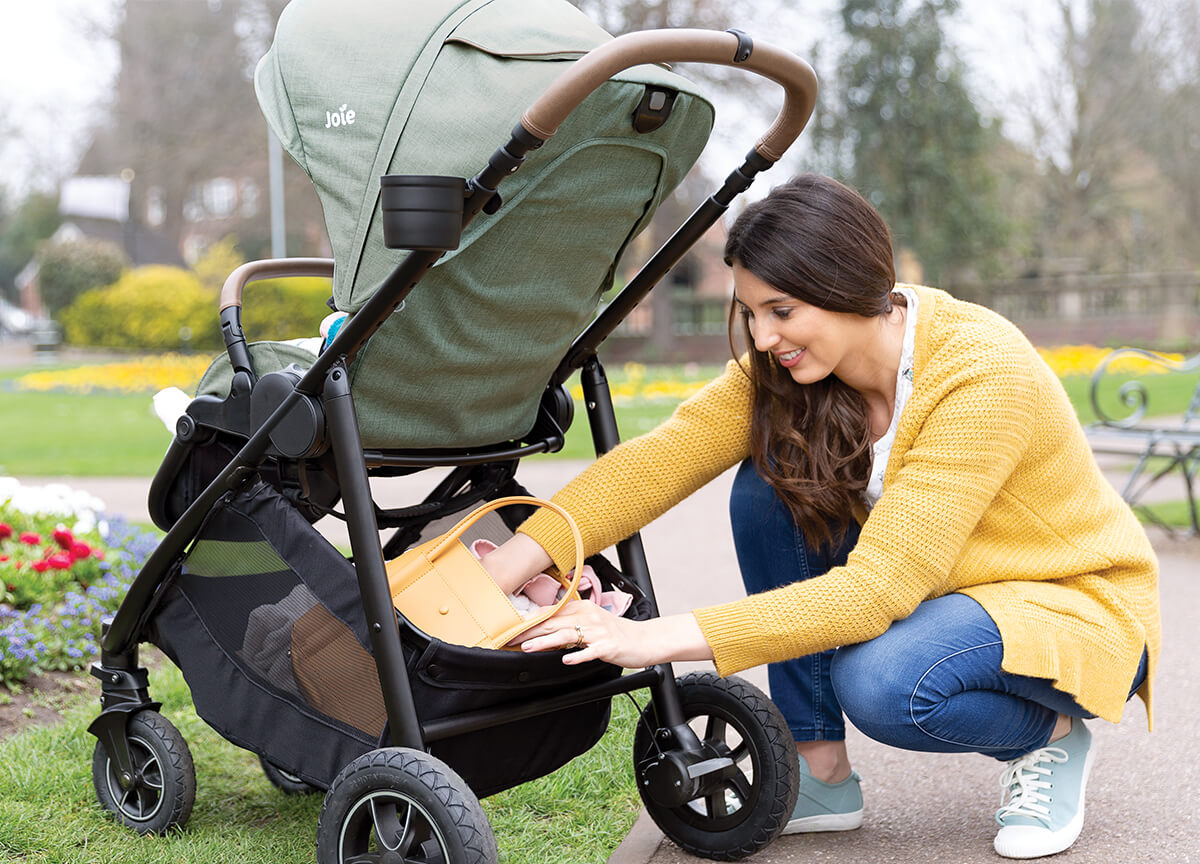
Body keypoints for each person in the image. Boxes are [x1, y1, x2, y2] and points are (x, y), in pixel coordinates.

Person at [480, 174, 1159, 859]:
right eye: (750, 312)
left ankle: (1050, 738)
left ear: (849, 288)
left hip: (1069, 599)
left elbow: (874, 594)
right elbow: (659, 460)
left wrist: (653, 639)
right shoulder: (794, 371)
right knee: (767, 486)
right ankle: (821, 769)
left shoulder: (981, 374)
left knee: (884, 680)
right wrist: (512, 562)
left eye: (782, 310)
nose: (764, 336)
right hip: (953, 587)